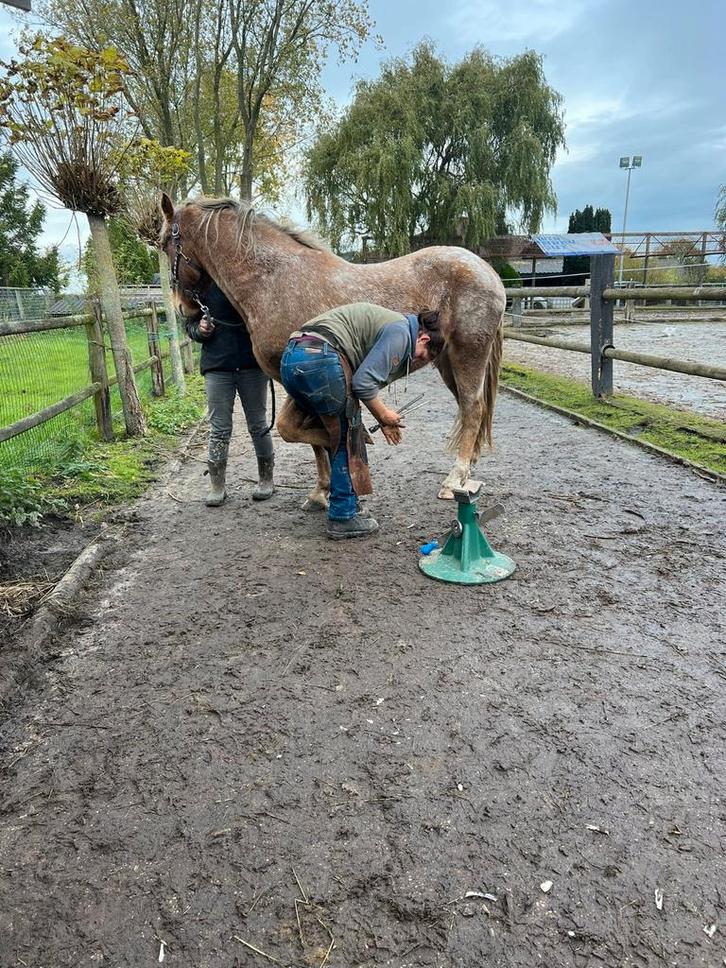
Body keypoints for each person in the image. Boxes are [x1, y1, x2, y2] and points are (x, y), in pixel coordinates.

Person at [280, 302, 444, 540]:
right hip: (322, 360)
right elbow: (363, 384)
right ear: (424, 339)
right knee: (347, 436)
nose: (418, 360)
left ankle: (346, 499)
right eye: (423, 356)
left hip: (292, 357)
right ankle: (343, 516)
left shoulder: (391, 322)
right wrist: (384, 416)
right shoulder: (400, 332)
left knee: (339, 429)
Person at [186, 282, 274, 506]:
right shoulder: (203, 287)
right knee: (219, 428)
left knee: (258, 425)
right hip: (217, 367)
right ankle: (217, 486)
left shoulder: (250, 283)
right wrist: (200, 330)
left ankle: (266, 479)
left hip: (252, 366)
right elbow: (190, 324)